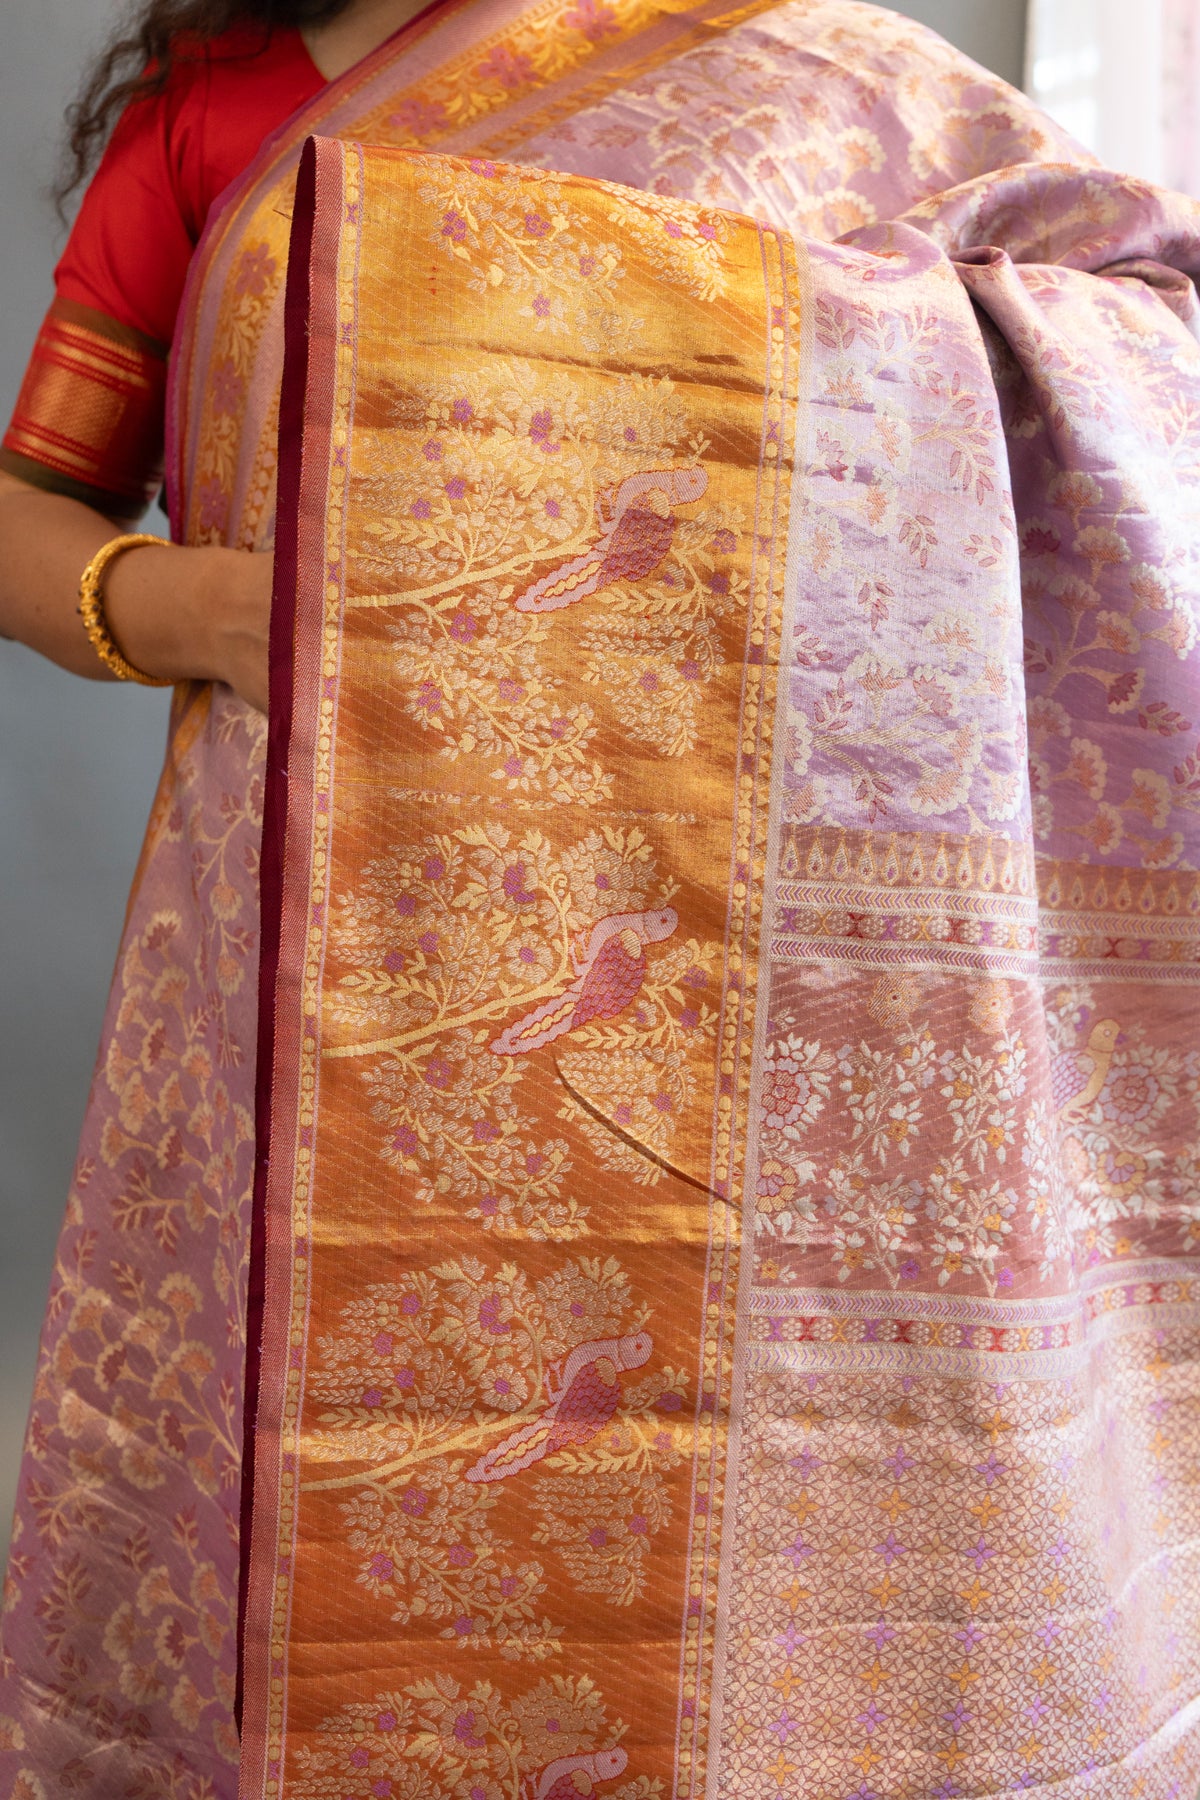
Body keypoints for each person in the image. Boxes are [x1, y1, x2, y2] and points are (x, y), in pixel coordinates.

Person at [7, 2, 1200, 1796]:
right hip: (305, 964)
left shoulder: (781, 66)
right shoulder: (206, 109)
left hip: (699, 944)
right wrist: (202, 610)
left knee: (676, 1502)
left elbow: (1149, 331)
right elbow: (29, 503)